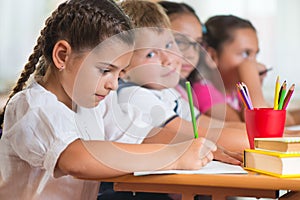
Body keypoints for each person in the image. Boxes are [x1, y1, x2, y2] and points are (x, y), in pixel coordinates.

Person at [0, 0, 217, 199]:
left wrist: (199, 147)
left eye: (120, 73)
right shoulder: (34, 108)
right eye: (105, 70)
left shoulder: (93, 103)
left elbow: (140, 136)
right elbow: (77, 159)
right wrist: (173, 156)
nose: (113, 84)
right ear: (62, 56)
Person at [118, 0, 249, 156]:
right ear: (122, 67)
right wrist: (265, 139)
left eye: (168, 45)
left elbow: (216, 125)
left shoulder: (168, 93)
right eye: (151, 54)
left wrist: (276, 135)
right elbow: (201, 135)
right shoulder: (134, 96)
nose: (168, 59)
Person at [202, 15, 298, 124]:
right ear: (211, 57)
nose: (254, 63)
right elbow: (259, 125)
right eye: (245, 53)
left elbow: (285, 120)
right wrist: (250, 76)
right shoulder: (204, 92)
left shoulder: (237, 91)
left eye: (255, 54)